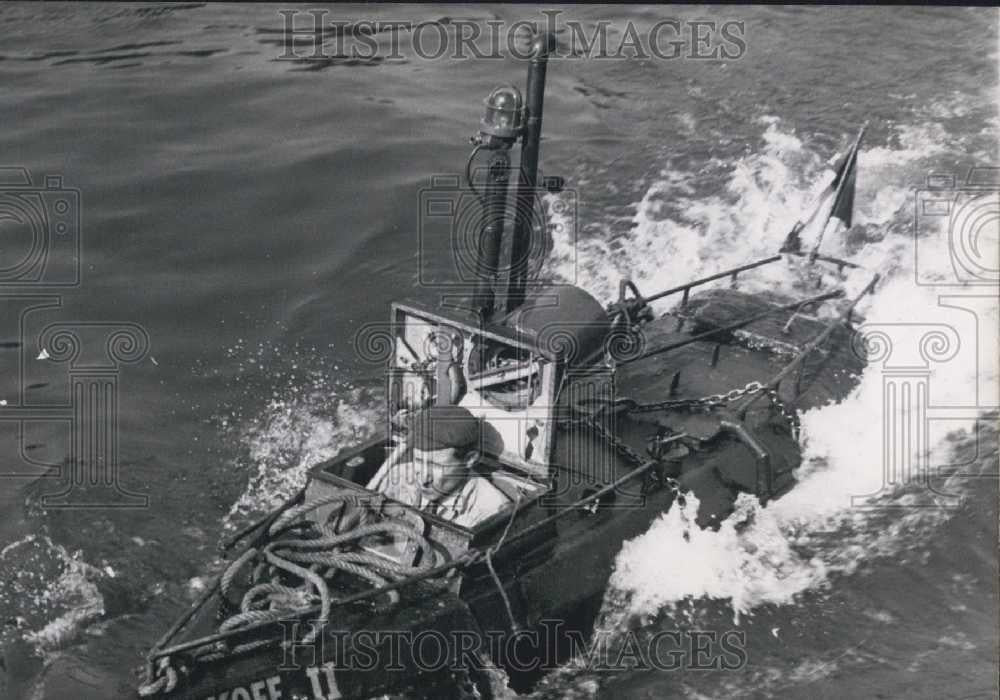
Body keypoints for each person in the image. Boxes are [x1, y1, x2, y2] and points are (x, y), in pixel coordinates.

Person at [366, 405, 512, 528]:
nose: (423, 479)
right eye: (418, 460)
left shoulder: (491, 512)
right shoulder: (397, 475)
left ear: (470, 459)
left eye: (435, 465)